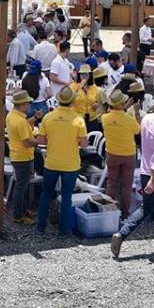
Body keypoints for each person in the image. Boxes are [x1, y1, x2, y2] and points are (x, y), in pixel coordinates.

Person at [111, 91, 154, 259]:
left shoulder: (147, 119)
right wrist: (153, 179)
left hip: (145, 168)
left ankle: (121, 234)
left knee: (146, 208)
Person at [35, 86, 87, 235]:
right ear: (72, 101)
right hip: (70, 164)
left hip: (51, 162)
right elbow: (84, 144)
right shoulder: (78, 119)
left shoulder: (48, 117)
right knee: (66, 197)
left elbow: (40, 140)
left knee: (46, 194)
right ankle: (63, 230)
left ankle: (41, 227)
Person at [101, 90, 140, 218]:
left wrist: (122, 108)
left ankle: (108, 211)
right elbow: (138, 130)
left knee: (111, 183)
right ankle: (125, 214)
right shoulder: (129, 119)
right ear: (122, 103)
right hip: (128, 154)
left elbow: (113, 114)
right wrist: (136, 111)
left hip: (112, 154)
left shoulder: (105, 118)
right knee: (126, 185)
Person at [6, 89, 38, 225]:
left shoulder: (12, 116)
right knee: (21, 187)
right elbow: (27, 142)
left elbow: (23, 126)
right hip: (24, 157)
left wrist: (34, 118)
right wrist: (38, 141)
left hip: (16, 155)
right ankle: (18, 215)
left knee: (21, 186)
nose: (29, 105)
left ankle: (22, 210)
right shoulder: (20, 121)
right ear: (22, 104)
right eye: (28, 103)